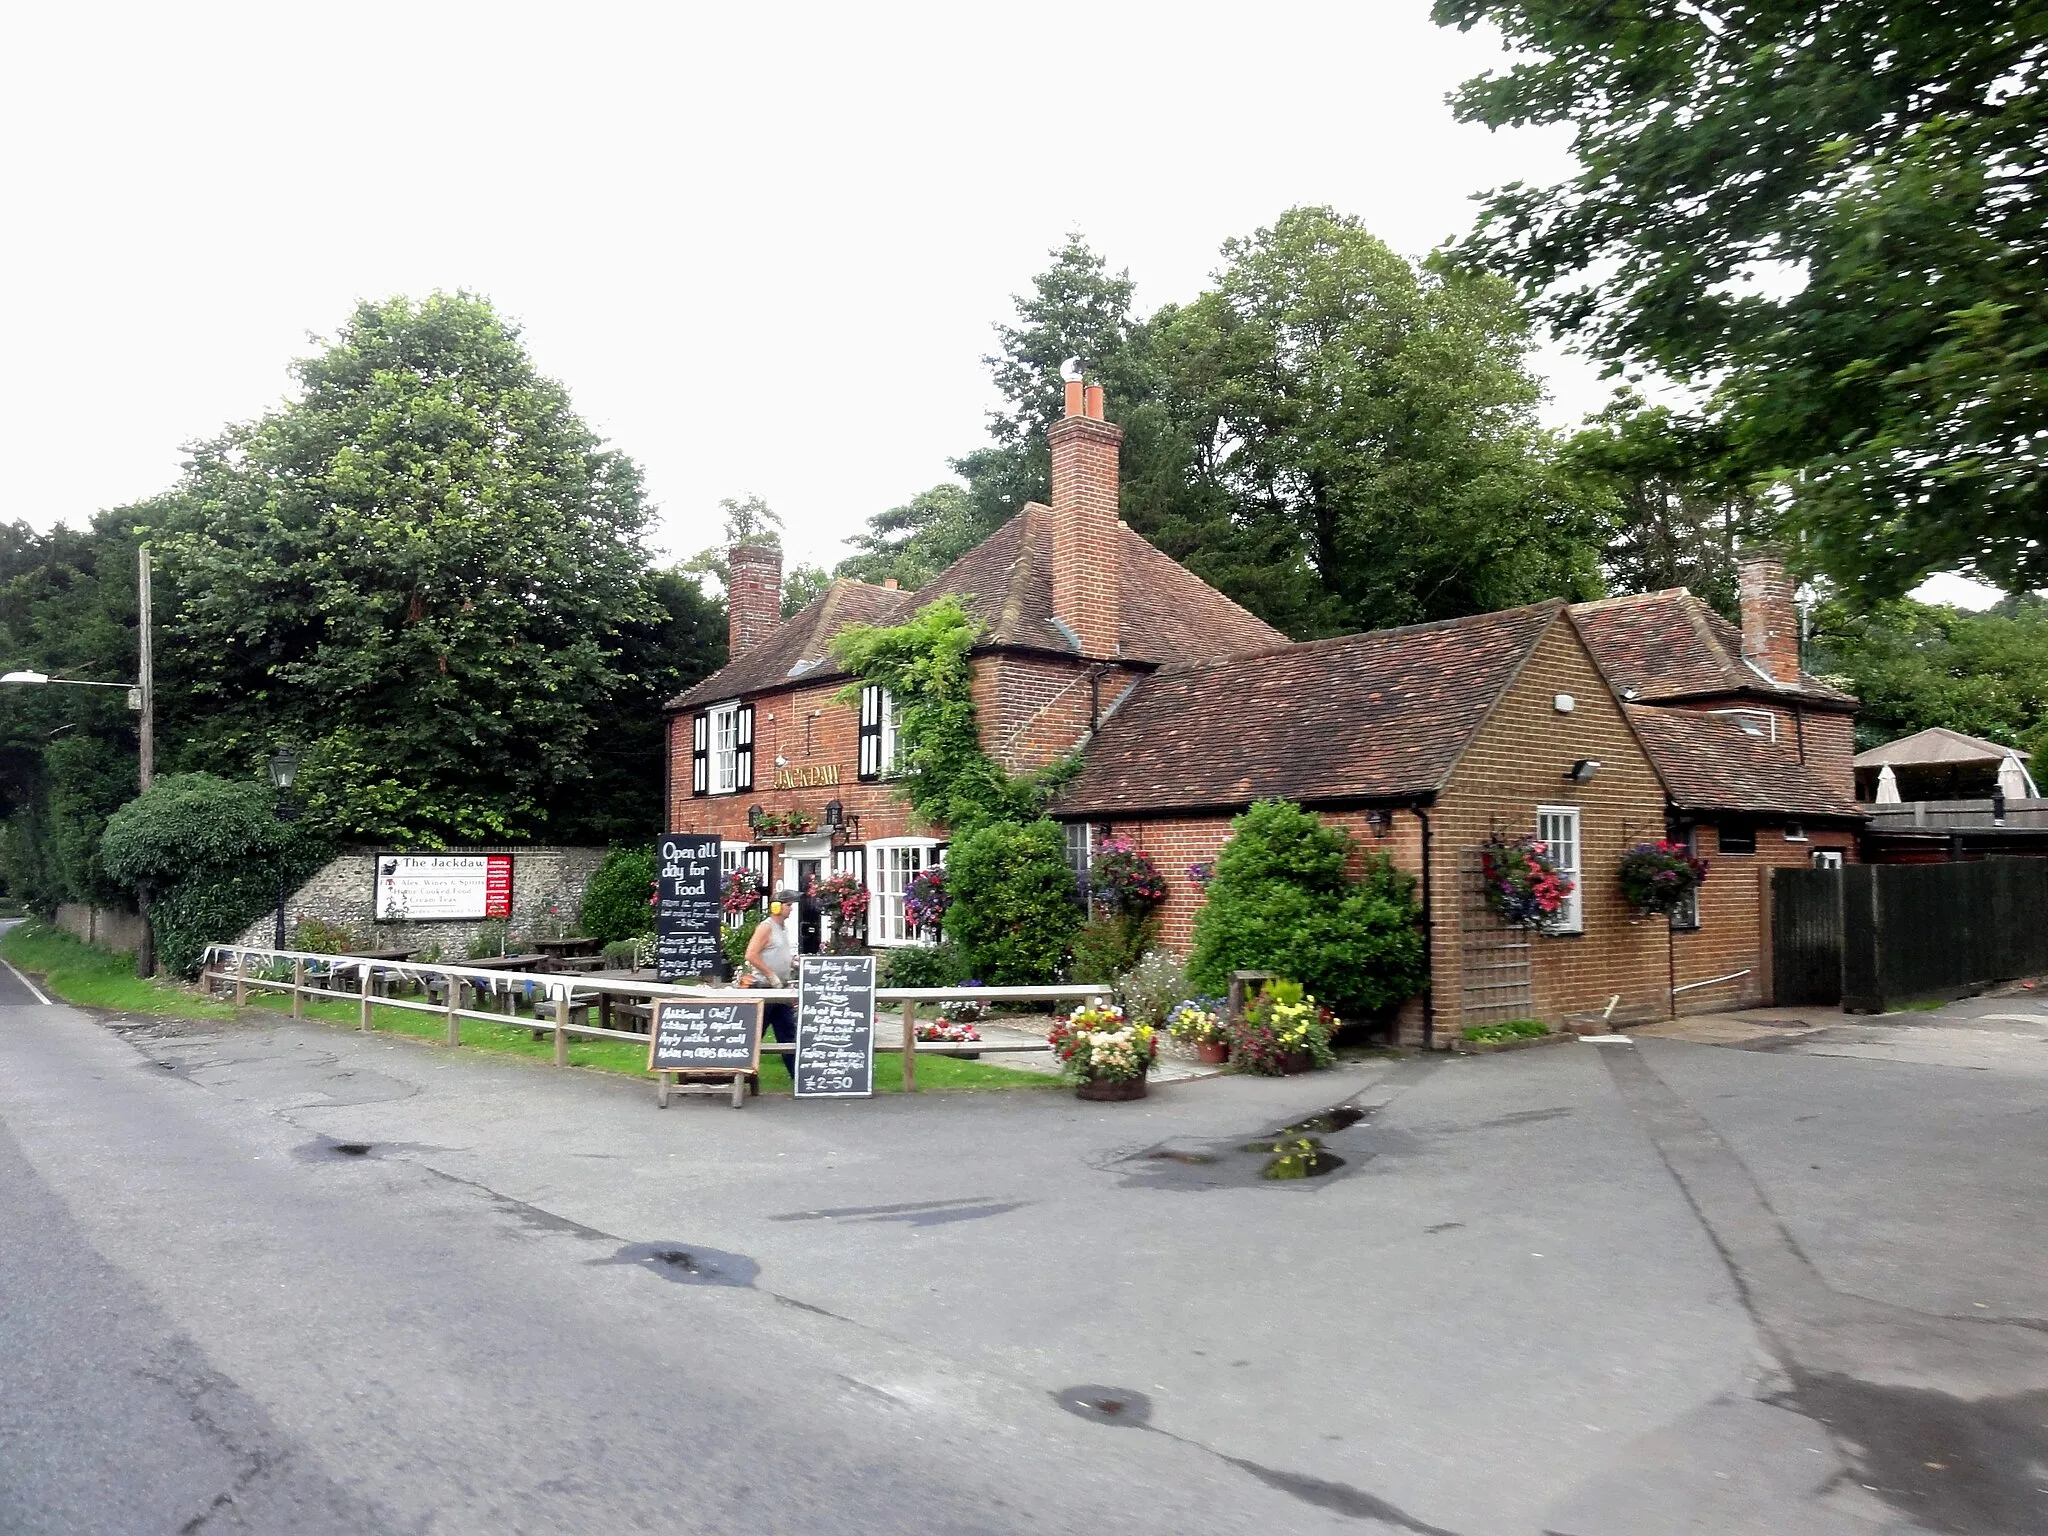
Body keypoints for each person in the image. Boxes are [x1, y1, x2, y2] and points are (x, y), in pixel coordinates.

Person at [743, 889, 799, 1084]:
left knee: (788, 1033)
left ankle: (798, 1077)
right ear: (776, 906)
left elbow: (778, 953)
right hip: (763, 988)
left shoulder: (783, 929)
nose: (791, 909)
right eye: (788, 905)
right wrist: (771, 974)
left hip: (780, 990)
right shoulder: (766, 928)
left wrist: (793, 963)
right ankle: (742, 1074)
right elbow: (751, 954)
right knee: (756, 1032)